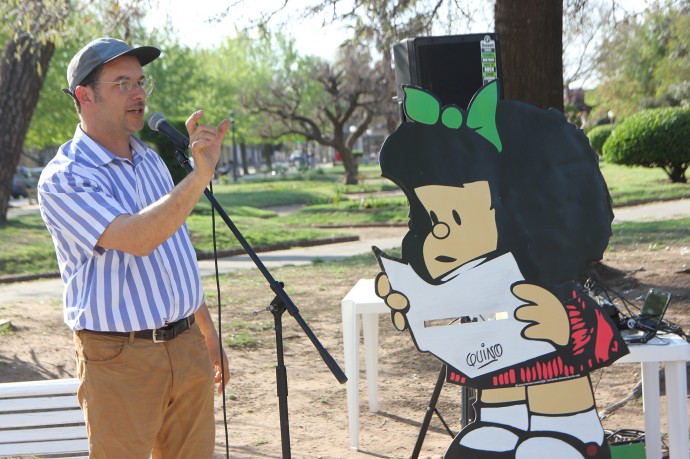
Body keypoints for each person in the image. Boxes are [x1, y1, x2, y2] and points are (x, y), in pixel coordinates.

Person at [37, 37, 230, 459]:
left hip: (187, 346)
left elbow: (175, 251)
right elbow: (139, 238)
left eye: (141, 81)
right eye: (122, 83)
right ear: (85, 96)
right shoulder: (63, 178)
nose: (139, 93)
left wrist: (206, 332)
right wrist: (198, 178)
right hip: (120, 358)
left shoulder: (151, 160)